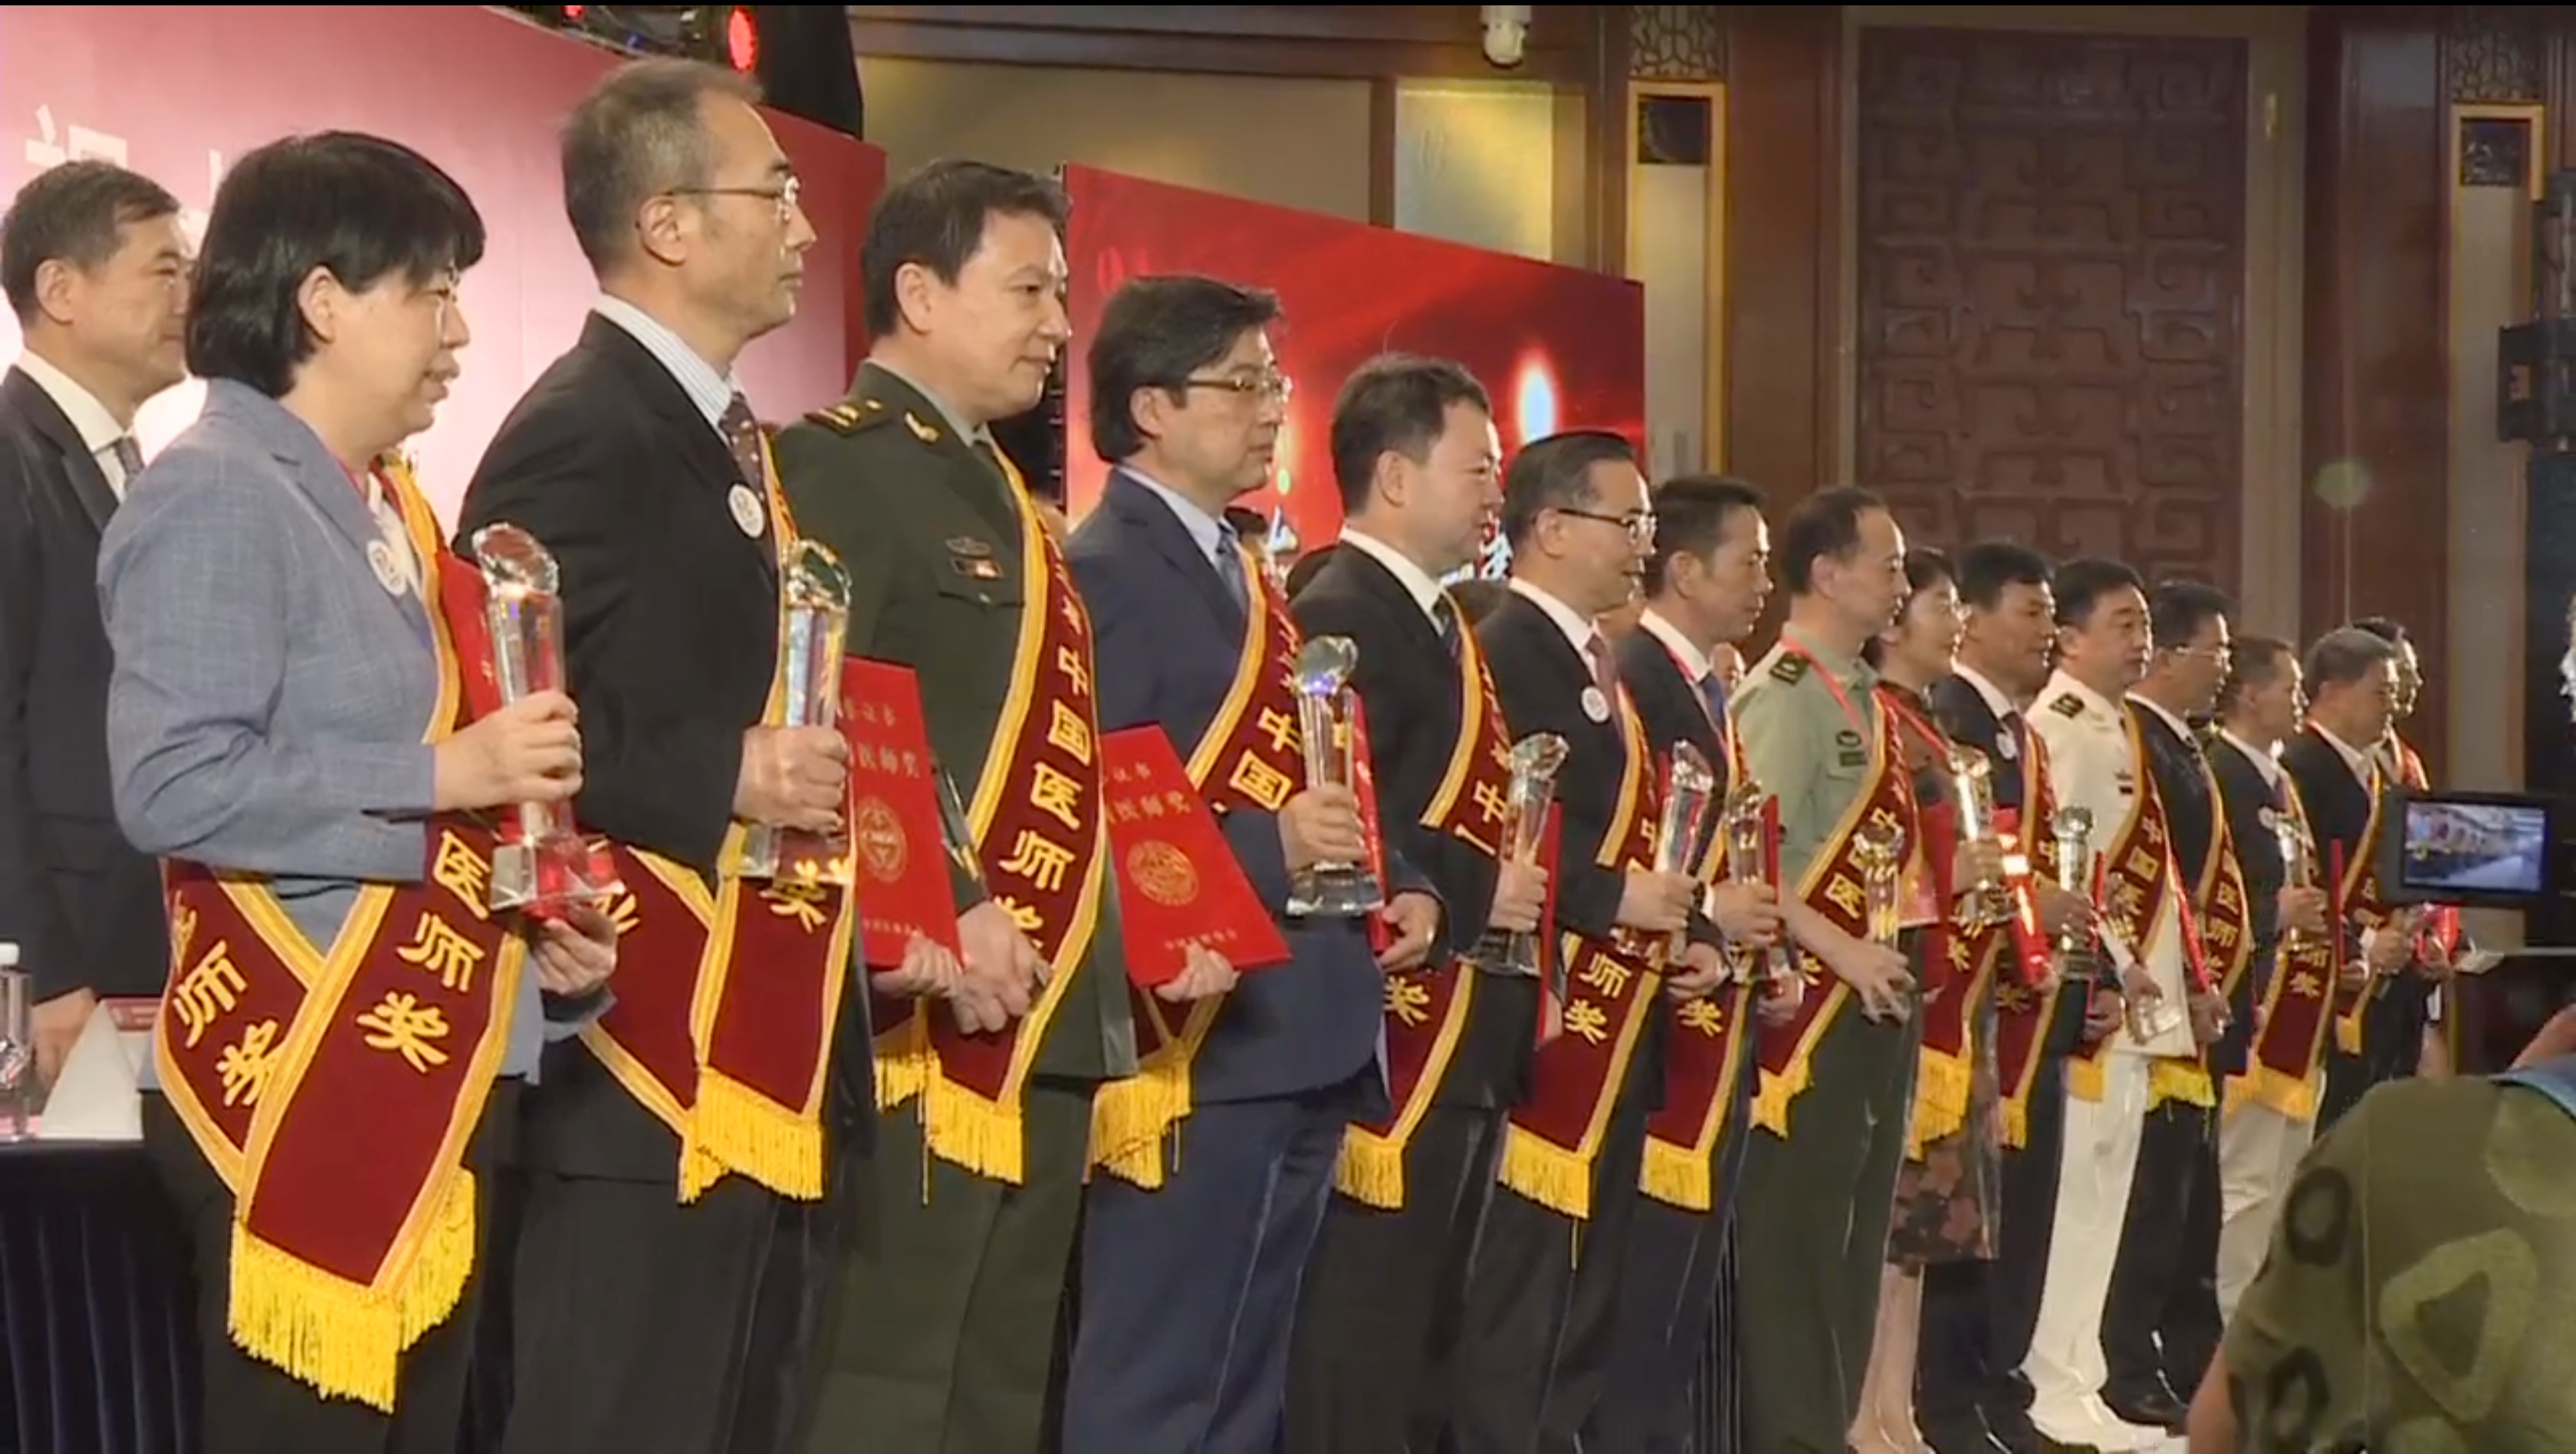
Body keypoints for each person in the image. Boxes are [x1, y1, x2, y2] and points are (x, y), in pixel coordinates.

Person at [99, 130, 617, 1454]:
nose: (458, 332)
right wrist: (443, 773)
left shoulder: (393, 509)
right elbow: (171, 783)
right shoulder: (217, 492)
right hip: (306, 1068)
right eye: (431, 292)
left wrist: (542, 930)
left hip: (442, 1052)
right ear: (322, 301)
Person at [453, 58, 878, 1454]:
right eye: (777, 193)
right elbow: (509, 702)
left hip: (750, 1026)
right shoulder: (584, 427)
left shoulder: (717, 430)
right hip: (635, 1046)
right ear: (669, 224)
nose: (804, 228)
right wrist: (724, 773)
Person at [774, 157, 1126, 1454]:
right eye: (1027, 290)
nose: (1057, 325)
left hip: (1046, 991)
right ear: (919, 294)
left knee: (998, 1387)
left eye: (1061, 294)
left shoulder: (1017, 506)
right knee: (890, 1378)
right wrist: (951, 900)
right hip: (925, 992)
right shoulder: (838, 468)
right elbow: (836, 710)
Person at [1057, 275, 1435, 1452]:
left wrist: (1403, 875)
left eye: (1275, 382)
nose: (1274, 407)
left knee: (1247, 1384)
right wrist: (1274, 849)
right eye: (1243, 383)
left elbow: (1324, 765)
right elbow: (1100, 804)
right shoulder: (1104, 571)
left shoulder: (1249, 570)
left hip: (1304, 1023)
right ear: (1152, 407)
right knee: (1162, 1376)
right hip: (1198, 1038)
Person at [1283, 354, 1543, 1454]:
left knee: (1433, 1331)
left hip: (1462, 1027)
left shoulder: (1437, 621)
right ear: (1395, 476)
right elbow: (1353, 808)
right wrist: (1483, 886)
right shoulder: (1340, 612)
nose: (1495, 493)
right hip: (1392, 1030)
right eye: (1476, 468)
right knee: (1364, 1338)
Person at [1449, 429, 1721, 1451]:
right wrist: (1612, 898)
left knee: (1584, 1292)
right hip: (1547, 1014)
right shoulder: (1506, 649)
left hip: (1622, 1009)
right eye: (1628, 521)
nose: (1643, 544)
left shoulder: (1596, 658)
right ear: (1553, 528)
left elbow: (1638, 825)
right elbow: (1497, 822)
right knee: (1518, 1298)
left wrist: (1688, 924)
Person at [1596, 474, 1790, 1454]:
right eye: (1748, 561)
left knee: (1683, 1296)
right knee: (1641, 1295)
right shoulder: (1636, 677)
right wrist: (1712, 912)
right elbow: (1631, 847)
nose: (1764, 582)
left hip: (1716, 1009)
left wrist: (1760, 942)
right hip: (1655, 1025)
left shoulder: (1706, 686)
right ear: (1682, 568)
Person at [1730, 486, 1919, 1454]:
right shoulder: (1786, 697)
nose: (1902, 585)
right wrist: (1839, 948)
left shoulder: (1870, 700)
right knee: (1798, 1239)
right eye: (1888, 565)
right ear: (1828, 574)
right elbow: (1748, 855)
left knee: (1854, 1233)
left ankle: (1833, 1425)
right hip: (1810, 1008)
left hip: (1874, 999)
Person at [0, 160, 189, 1081]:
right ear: (61, 289)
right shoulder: (10, 454)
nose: (189, 297)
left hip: (145, 950)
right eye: (163, 270)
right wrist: (40, 970)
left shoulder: (134, 468)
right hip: (61, 973)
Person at [1915, 540, 2091, 1454]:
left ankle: (1998, 1388)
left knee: (2017, 1212)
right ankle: (1953, 1400)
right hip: (1966, 994)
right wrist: (2033, 904)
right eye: (2030, 612)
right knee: (1963, 1217)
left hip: (2025, 994)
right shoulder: (1949, 718)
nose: (2047, 631)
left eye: (2053, 612)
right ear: (1972, 622)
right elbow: (1964, 855)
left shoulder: (2018, 729)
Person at [2021, 557, 2185, 1453]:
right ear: (2070, 637)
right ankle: (2052, 1382)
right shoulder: (2062, 729)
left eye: (2145, 624)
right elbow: (2065, 876)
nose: (2140, 641)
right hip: (2092, 999)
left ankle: (2082, 1378)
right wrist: (2105, 973)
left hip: (2134, 1001)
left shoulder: (2120, 727)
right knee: (2073, 1199)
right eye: (2122, 624)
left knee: (2107, 1199)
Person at [1853, 548, 2003, 1454]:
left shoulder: (1933, 725)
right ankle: (1863, 1414)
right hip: (1908, 985)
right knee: (1888, 1226)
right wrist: (1951, 871)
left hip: (1957, 993)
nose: (1957, 623)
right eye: (1941, 606)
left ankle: (1896, 1411)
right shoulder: (1873, 718)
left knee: (1918, 1238)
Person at [2097, 580, 2237, 1433]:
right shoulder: (2134, 738)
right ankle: (2124, 1361)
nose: (2223, 668)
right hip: (2138, 1003)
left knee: (2180, 1204)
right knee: (2144, 1202)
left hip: (2181, 997)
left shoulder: (2179, 743)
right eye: (2215, 652)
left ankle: (2166, 1357)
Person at [2203, 634, 2328, 1320]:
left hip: (2297, 1004)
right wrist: (2272, 911)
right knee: (2244, 1184)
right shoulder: (2220, 771)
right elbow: (2208, 893)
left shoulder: (2280, 780)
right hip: (2249, 1001)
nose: (2300, 699)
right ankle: (2231, 1322)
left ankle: (2267, 1318)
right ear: (2249, 694)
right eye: (2289, 686)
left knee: (2284, 1183)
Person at [2288, 627, 2420, 1130]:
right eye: (2380, 693)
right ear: (2332, 693)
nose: (2392, 707)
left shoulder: (2380, 772)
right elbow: (2305, 876)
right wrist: (2364, 941)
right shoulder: (2299, 768)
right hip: (2331, 983)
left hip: (2387, 986)